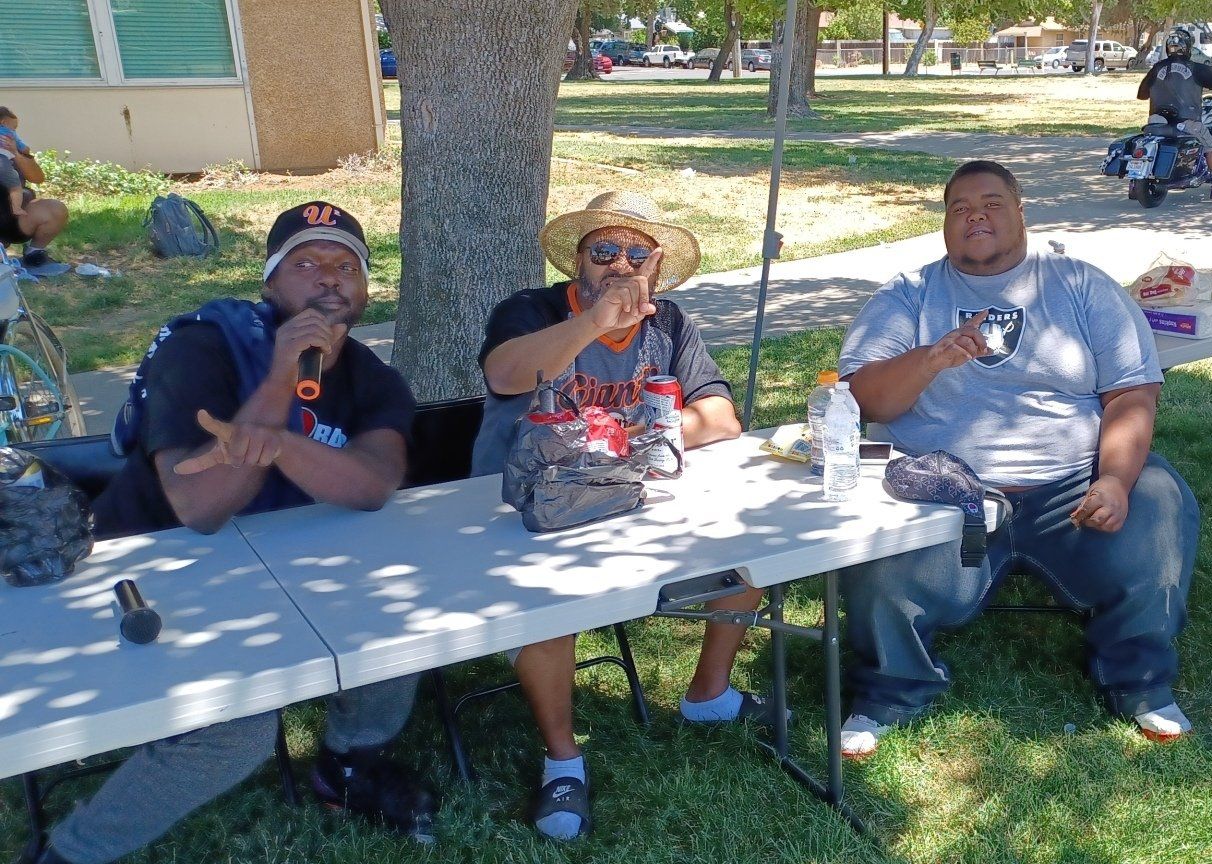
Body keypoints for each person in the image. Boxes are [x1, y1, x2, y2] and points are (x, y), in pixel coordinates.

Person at [21, 203, 437, 864]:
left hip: (274, 568)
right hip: (152, 571)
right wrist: (280, 380)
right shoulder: (203, 347)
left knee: (396, 617)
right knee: (238, 730)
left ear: (364, 290)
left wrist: (265, 443)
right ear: (271, 284)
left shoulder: (371, 376)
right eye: (306, 263)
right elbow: (200, 504)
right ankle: (69, 853)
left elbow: (371, 484)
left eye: (345, 266)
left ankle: (349, 762)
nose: (329, 279)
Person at [834, 160, 1201, 759]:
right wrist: (929, 360)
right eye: (960, 207)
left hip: (1069, 483)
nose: (976, 215)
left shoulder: (1080, 284)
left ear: (1021, 211)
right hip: (947, 485)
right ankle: (891, 689)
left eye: (992, 202)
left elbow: (1131, 393)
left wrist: (1113, 478)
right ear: (945, 224)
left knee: (1159, 503)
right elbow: (863, 397)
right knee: (880, 564)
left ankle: (1138, 679)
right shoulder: (909, 292)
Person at [471, 191, 755, 841]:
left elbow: (719, 418)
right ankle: (562, 762)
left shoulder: (671, 326)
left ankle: (708, 693)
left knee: (748, 552)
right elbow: (507, 375)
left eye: (637, 254)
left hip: (629, 493)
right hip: (524, 507)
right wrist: (592, 324)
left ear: (655, 268)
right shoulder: (532, 311)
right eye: (605, 251)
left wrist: (625, 436)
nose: (621, 266)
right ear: (580, 261)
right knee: (550, 609)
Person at [1137, 29, 1212, 201]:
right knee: (1211, 145)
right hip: (1184, 122)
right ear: (1188, 47)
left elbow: (1142, 94)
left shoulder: (1157, 68)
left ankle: (1134, 186)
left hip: (1156, 123)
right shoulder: (1194, 68)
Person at [0, 107, 68, 269]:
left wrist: (15, 153)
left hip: (17, 215)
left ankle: (34, 254)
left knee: (55, 209)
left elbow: (38, 178)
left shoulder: (11, 145)